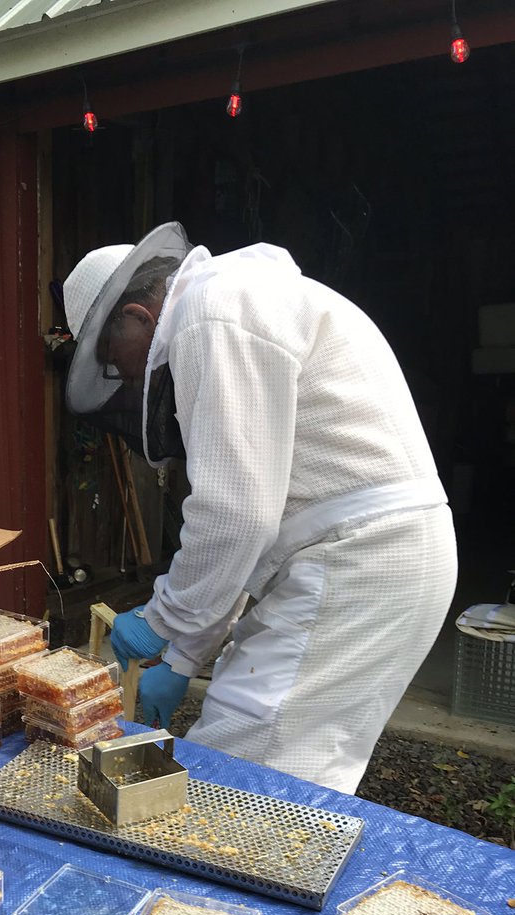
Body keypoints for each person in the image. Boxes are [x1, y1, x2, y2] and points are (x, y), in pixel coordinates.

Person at [62, 222, 457, 793]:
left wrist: (160, 621)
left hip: (359, 560)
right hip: (363, 554)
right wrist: (182, 657)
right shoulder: (238, 299)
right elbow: (251, 529)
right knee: (283, 765)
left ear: (138, 316)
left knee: (251, 782)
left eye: (109, 355)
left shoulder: (213, 311)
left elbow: (235, 516)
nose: (120, 373)